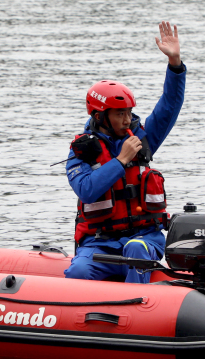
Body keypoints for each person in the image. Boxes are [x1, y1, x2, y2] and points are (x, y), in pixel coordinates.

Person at [63, 21, 186, 283]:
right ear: (100, 116)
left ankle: (138, 312)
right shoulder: (81, 151)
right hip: (99, 243)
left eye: (129, 112)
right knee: (77, 272)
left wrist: (175, 64)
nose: (128, 120)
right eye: (120, 114)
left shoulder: (143, 137)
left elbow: (169, 107)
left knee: (135, 249)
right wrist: (120, 161)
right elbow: (86, 190)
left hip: (144, 238)